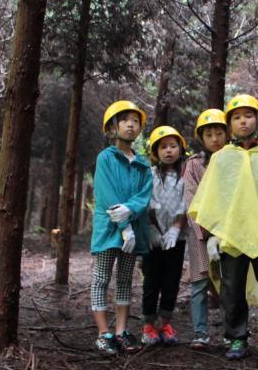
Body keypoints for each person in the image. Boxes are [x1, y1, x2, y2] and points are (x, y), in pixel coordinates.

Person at [188, 94, 258, 361]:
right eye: (237, 117)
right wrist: (213, 234)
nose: (243, 121)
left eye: (248, 116)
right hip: (231, 237)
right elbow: (212, 198)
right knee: (232, 289)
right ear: (230, 124)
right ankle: (237, 338)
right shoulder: (221, 158)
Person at [91, 100, 152, 355]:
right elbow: (107, 194)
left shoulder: (143, 163)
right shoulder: (105, 158)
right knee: (101, 279)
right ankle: (103, 333)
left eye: (135, 120)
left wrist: (132, 214)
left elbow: (144, 194)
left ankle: (122, 332)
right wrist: (124, 225)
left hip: (133, 232)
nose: (130, 124)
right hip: (109, 230)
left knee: (125, 280)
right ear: (112, 127)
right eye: (124, 119)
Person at [183, 109, 228, 349]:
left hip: (230, 233)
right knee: (199, 282)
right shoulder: (193, 165)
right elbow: (191, 201)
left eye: (219, 133)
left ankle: (234, 332)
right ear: (202, 137)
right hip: (199, 234)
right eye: (209, 134)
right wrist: (208, 234)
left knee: (229, 282)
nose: (215, 139)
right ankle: (200, 332)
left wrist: (223, 232)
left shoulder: (234, 160)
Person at [141, 126, 188, 346]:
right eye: (163, 147)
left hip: (176, 239)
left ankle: (166, 322)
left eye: (173, 146)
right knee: (152, 280)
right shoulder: (150, 174)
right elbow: (147, 204)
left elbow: (185, 205)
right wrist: (152, 229)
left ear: (180, 148)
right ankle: (148, 324)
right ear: (155, 151)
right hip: (153, 237)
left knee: (171, 280)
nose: (168, 151)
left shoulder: (185, 175)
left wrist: (176, 228)